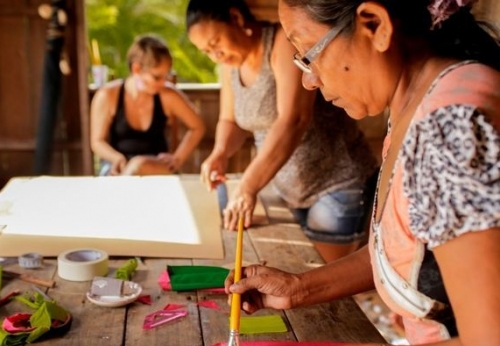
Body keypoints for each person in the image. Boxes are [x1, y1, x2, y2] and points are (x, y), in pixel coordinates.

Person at [224, 0, 500, 345]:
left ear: (374, 25)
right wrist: (297, 289)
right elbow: (399, 248)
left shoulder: (451, 127)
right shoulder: (414, 105)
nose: (309, 80)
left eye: (310, 52)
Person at [186, 0, 379, 262]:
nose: (214, 54)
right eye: (206, 51)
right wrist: (220, 152)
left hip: (337, 182)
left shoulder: (281, 43)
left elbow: (293, 119)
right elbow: (230, 120)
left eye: (215, 42)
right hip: (288, 188)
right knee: (299, 269)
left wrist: (248, 186)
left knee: (322, 277)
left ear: (236, 18)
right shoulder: (230, 65)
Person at [90, 34, 205, 176]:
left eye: (166, 76)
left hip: (155, 167)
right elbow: (97, 141)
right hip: (116, 167)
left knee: (139, 164)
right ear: (136, 69)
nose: (163, 82)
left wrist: (178, 158)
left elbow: (198, 126)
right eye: (157, 77)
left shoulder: (168, 95)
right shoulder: (108, 95)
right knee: (129, 169)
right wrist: (116, 158)